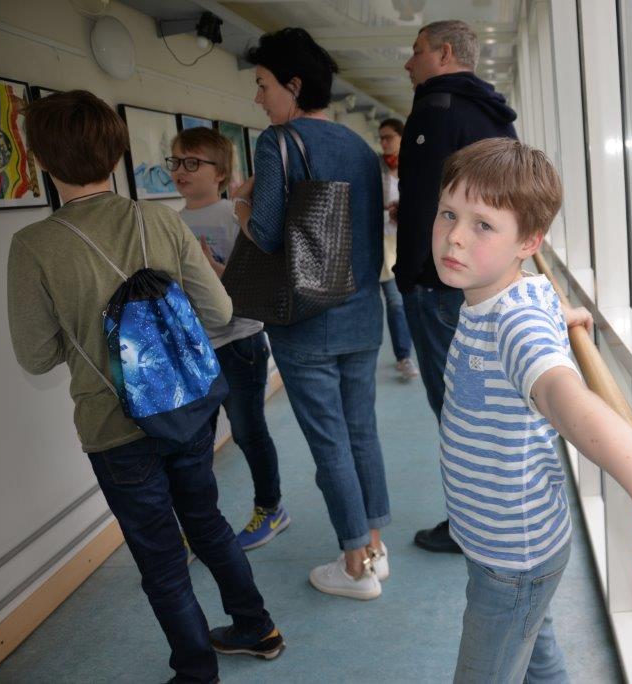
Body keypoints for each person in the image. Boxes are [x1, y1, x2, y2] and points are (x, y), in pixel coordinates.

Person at [432, 137, 632, 681]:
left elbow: (565, 398)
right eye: (448, 213)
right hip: (501, 539)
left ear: (528, 242)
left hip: (513, 556)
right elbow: (544, 307)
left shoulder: (512, 322)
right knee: (535, 646)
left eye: (483, 225)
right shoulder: (515, 294)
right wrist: (567, 316)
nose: (454, 236)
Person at [8, 90, 283, 684]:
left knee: (159, 556)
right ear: (115, 155)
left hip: (112, 423)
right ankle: (256, 627)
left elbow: (35, 355)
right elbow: (218, 312)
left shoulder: (35, 245)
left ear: (42, 162)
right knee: (205, 520)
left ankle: (195, 671)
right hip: (186, 406)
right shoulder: (157, 218)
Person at [232, 28, 392, 600]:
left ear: (293, 85)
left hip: (305, 319)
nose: (259, 98)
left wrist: (241, 202)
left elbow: (269, 234)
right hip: (362, 314)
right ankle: (374, 544)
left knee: (329, 442)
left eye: (263, 84)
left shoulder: (277, 142)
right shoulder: (360, 149)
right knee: (360, 432)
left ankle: (354, 567)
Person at [396, 19, 518, 554]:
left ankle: (471, 524)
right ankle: (494, 514)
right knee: (480, 405)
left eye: (416, 52)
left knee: (455, 412)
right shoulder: (492, 114)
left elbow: (426, 199)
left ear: (444, 53)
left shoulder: (435, 108)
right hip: (489, 277)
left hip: (444, 284)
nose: (408, 63)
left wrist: (411, 273)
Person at [169, 126, 289, 550]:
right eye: (175, 162)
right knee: (193, 442)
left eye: (191, 162)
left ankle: (271, 507)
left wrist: (211, 270)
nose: (180, 171)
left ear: (219, 172)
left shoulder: (232, 217)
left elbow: (254, 289)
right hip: (195, 347)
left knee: (247, 432)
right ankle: (201, 528)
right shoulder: (173, 222)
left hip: (239, 342)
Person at [378, 118, 419, 381]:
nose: (384, 143)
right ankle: (404, 356)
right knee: (394, 302)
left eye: (388, 137)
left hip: (407, 243)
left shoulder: (414, 166)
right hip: (382, 244)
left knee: (410, 301)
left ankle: (411, 349)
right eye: (381, 138)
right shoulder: (376, 169)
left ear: (401, 138)